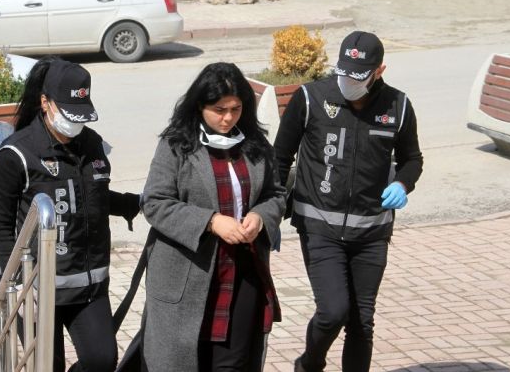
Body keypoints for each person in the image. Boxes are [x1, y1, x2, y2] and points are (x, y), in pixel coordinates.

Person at [274, 31, 424, 372]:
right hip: (319, 226)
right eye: (344, 72)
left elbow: (413, 158)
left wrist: (403, 183)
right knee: (333, 311)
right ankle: (310, 363)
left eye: (358, 76)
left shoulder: (397, 106)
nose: (348, 82)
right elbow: (279, 158)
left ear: (379, 71)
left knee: (361, 321)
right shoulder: (311, 98)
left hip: (372, 232)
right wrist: (272, 206)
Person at [0, 57, 141, 372]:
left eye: (81, 115)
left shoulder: (93, 145)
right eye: (69, 114)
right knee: (46, 366)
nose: (75, 124)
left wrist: (132, 203)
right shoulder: (16, 153)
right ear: (45, 103)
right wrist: (14, 276)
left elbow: (91, 196)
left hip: (87, 284)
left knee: (101, 361)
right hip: (35, 288)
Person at [140, 62, 286, 371]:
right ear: (200, 106)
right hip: (189, 273)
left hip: (243, 270)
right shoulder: (176, 145)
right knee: (187, 359)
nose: (228, 117)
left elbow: (275, 194)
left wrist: (260, 217)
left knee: (233, 362)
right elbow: (154, 202)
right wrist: (210, 221)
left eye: (235, 109)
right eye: (219, 109)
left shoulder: (255, 144)